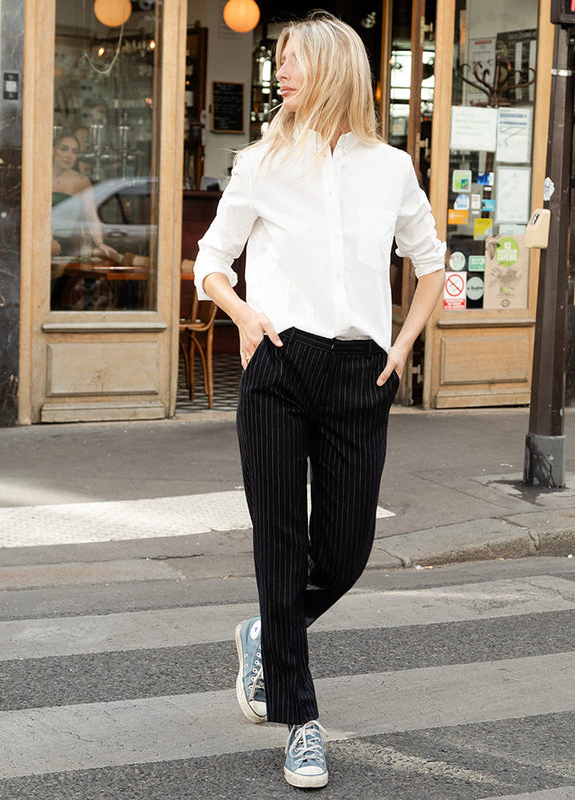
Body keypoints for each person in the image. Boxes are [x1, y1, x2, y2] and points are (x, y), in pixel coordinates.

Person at [194, 12, 446, 789]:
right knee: (279, 544)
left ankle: (266, 633)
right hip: (278, 362)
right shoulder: (261, 162)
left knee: (345, 551)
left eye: (295, 59)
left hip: (360, 373)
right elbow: (210, 260)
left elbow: (431, 263)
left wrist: (402, 349)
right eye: (279, 60)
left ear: (334, 68)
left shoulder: (390, 169)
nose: (283, 72)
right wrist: (242, 314)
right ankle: (301, 722)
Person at [51, 132, 120, 262]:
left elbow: (91, 215)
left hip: (64, 247)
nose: (69, 155)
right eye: (64, 149)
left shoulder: (81, 181)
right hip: (38, 242)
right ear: (53, 150)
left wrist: (100, 243)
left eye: (74, 151)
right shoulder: (40, 175)